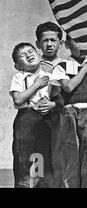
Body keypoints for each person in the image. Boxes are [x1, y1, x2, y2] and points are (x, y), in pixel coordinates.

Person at [51, 36, 87, 188]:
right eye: (77, 41)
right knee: (71, 157)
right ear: (68, 45)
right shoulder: (62, 65)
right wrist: (83, 70)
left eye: (85, 41)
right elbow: (68, 87)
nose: (82, 45)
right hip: (70, 113)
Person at [9, 43, 57, 187]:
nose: (29, 55)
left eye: (31, 51)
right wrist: (36, 85)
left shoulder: (51, 76)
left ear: (39, 55)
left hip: (46, 121)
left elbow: (59, 99)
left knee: (44, 160)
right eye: (23, 55)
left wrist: (52, 105)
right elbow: (18, 100)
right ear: (18, 65)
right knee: (24, 160)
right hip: (25, 121)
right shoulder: (19, 77)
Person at [35, 21, 64, 187]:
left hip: (61, 118)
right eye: (45, 41)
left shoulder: (67, 65)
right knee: (38, 158)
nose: (49, 44)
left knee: (60, 159)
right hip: (38, 119)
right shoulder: (33, 66)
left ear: (60, 43)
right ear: (38, 44)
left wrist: (54, 105)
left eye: (53, 40)